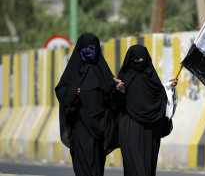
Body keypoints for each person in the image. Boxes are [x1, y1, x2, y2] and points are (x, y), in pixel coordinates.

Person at [55, 33, 124, 176]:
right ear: (80, 49)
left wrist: (116, 88)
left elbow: (112, 100)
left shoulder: (103, 73)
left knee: (97, 168)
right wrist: (72, 92)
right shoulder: (72, 73)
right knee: (83, 167)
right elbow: (61, 92)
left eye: (94, 47)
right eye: (87, 48)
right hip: (80, 127)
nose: (91, 50)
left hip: (100, 128)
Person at [117, 44, 178, 176]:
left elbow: (160, 97)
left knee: (148, 168)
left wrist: (169, 87)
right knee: (137, 169)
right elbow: (115, 105)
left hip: (151, 129)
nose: (140, 62)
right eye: (136, 59)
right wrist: (120, 93)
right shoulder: (123, 79)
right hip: (130, 127)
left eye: (142, 58)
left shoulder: (152, 78)